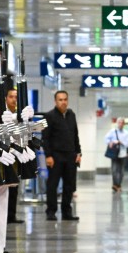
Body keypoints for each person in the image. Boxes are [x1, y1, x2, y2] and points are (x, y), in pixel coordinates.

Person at [41, 90, 81, 221]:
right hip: (55, 156)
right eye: (60, 100)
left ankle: (66, 212)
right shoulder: (48, 116)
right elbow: (45, 138)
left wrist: (78, 152)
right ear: (55, 101)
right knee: (52, 185)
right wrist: (48, 155)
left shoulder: (72, 115)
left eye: (65, 99)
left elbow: (75, 135)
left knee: (69, 185)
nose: (63, 102)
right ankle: (51, 211)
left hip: (70, 156)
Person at [5, 87, 25, 224]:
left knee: (14, 186)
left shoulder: (20, 115)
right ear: (6, 98)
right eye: (11, 96)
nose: (14, 100)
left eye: (16, 97)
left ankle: (11, 215)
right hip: (4, 155)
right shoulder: (1, 114)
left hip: (17, 154)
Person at [104, 118, 128, 192]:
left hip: (123, 154)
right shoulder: (112, 131)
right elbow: (106, 138)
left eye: (122, 123)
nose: (120, 124)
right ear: (117, 123)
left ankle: (118, 184)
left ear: (124, 124)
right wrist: (110, 142)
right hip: (114, 153)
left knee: (121, 171)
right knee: (114, 170)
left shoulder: (126, 133)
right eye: (119, 122)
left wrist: (121, 142)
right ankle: (115, 185)